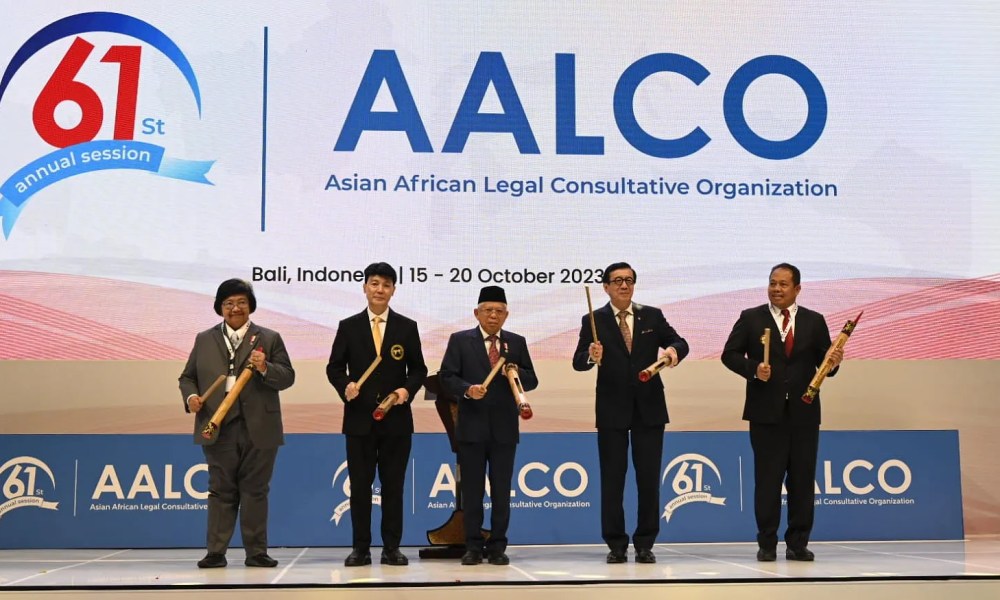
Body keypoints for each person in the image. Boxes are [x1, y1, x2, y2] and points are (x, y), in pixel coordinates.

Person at [721, 263, 843, 562]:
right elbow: (729, 355)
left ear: (797, 289)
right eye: (772, 283)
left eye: (783, 284)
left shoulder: (814, 321)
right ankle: (767, 543)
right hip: (765, 413)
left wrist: (834, 362)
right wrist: (754, 369)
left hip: (804, 412)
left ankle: (798, 543)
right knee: (768, 480)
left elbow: (826, 365)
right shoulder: (751, 318)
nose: (776, 289)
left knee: (802, 480)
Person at [572, 262, 689, 564]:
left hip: (649, 409)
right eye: (617, 281)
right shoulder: (593, 320)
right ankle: (616, 544)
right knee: (613, 479)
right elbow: (578, 361)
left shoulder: (652, 315)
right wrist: (591, 356)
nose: (624, 285)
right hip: (611, 409)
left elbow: (680, 342)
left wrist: (672, 353)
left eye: (629, 280)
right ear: (606, 287)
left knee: (648, 479)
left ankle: (645, 543)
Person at [179, 278, 295, 569]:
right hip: (217, 426)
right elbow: (187, 377)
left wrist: (265, 367)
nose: (235, 308)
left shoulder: (269, 338)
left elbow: (287, 377)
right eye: (229, 303)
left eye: (241, 302)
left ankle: (256, 552)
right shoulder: (204, 339)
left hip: (260, 426)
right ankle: (215, 552)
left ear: (250, 306)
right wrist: (191, 397)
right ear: (220, 307)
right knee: (221, 490)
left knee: (256, 491)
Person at [326, 262, 427, 567]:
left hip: (397, 421)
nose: (379, 290)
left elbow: (418, 369)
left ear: (393, 290)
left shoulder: (406, 327)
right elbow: (334, 367)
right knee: (360, 487)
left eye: (386, 284)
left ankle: (392, 548)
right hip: (359, 420)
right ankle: (360, 548)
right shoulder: (349, 326)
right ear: (365, 288)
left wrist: (405, 391)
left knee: (393, 487)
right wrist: (345, 385)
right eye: (374, 283)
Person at [439, 285, 538, 566]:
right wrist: (468, 390)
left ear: (506, 315)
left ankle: (497, 546)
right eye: (488, 310)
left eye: (499, 311)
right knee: (472, 491)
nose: (493, 315)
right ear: (477, 313)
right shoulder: (460, 340)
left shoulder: (515, 343)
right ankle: (472, 545)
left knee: (501, 491)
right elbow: (446, 377)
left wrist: (515, 373)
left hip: (504, 430)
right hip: (471, 428)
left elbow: (532, 379)